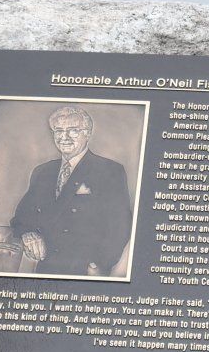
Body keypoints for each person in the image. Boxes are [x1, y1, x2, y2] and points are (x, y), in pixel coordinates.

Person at [9, 106, 131, 276]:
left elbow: (120, 224)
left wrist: (99, 264)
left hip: (85, 270)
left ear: (87, 133)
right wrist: (28, 233)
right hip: (46, 267)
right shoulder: (42, 171)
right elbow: (22, 217)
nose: (64, 137)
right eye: (58, 130)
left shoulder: (109, 170)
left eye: (73, 130)